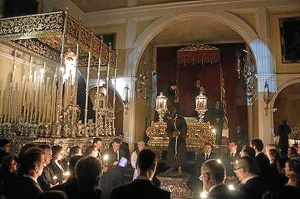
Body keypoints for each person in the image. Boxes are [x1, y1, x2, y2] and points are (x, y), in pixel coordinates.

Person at [165, 106, 187, 172]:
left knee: (180, 152)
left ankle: (180, 166)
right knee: (172, 151)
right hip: (173, 139)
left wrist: (179, 132)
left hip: (180, 139)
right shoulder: (169, 121)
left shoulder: (181, 118)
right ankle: (172, 166)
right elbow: (168, 129)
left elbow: (184, 127)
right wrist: (172, 134)